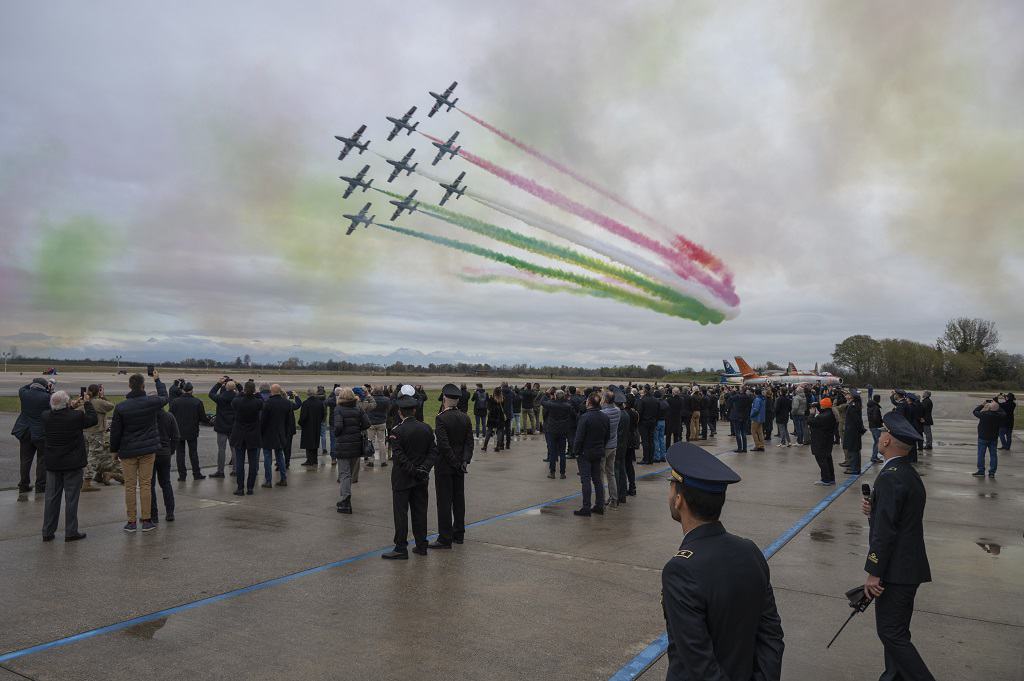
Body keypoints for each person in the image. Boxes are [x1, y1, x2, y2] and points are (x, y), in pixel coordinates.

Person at [661, 441, 784, 680]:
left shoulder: (680, 569)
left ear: (678, 500)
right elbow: (771, 636)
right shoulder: (749, 551)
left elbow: (699, 663)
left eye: (671, 487)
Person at [861, 412, 935, 681]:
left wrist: (873, 571)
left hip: (896, 570)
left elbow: (885, 532)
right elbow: (898, 519)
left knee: (890, 633)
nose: (880, 437)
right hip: (908, 566)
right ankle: (892, 676)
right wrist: (873, 510)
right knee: (898, 631)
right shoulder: (905, 472)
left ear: (888, 441)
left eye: (882, 434)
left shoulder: (890, 477)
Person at [109, 372, 168, 532]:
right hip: (148, 450)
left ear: (130, 386)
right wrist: (157, 380)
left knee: (129, 486)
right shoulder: (150, 402)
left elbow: (116, 431)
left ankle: (131, 521)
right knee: (145, 485)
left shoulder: (121, 407)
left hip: (128, 450)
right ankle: (147, 520)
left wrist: (114, 450)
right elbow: (164, 396)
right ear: (143, 386)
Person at [382, 390, 437, 560]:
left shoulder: (397, 431)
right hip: (421, 478)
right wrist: (423, 470)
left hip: (403, 478)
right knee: (420, 512)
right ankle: (421, 545)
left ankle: (401, 547)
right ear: (414, 410)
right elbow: (433, 452)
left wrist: (414, 471)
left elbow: (399, 457)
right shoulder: (426, 428)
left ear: (400, 412)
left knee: (401, 514)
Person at [41, 390, 97, 542]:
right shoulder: (76, 417)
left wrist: (69, 406)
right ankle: (71, 531)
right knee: (71, 499)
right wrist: (86, 403)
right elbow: (92, 419)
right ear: (66, 404)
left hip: (53, 463)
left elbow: (60, 415)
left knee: (51, 498)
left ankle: (47, 531)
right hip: (72, 463)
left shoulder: (46, 416)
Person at [431, 383, 474, 548]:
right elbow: (469, 443)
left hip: (445, 466)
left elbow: (443, 445)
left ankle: (445, 538)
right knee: (458, 500)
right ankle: (459, 534)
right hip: (459, 466)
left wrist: (455, 463)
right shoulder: (465, 417)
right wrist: (464, 461)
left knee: (444, 502)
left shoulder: (441, 418)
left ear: (444, 399)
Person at [12, 377, 53, 500]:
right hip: (40, 432)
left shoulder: (24, 393)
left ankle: (23, 485)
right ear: (44, 386)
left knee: (25, 460)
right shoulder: (47, 397)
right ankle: (40, 485)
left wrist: (34, 383)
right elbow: (53, 403)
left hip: (24, 430)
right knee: (42, 460)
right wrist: (49, 389)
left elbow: (23, 387)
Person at [572, 392, 610, 517]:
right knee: (597, 479)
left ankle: (586, 507)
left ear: (589, 403)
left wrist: (576, 451)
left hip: (586, 452)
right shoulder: (604, 417)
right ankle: (600, 505)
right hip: (598, 451)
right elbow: (607, 436)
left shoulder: (585, 417)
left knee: (586, 480)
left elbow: (579, 437)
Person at [333, 388, 369, 514]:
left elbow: (338, 427)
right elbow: (367, 424)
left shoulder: (338, 409)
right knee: (349, 474)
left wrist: (337, 434)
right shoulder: (358, 408)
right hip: (355, 445)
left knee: (344, 474)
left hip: (343, 445)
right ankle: (345, 498)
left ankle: (345, 500)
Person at [229, 381, 263, 496]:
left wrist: (241, 393)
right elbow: (262, 402)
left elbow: (234, 401)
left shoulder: (237, 401)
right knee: (253, 463)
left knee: (240, 463)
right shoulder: (257, 402)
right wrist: (256, 394)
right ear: (253, 390)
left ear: (244, 390)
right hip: (252, 434)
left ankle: (240, 488)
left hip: (239, 434)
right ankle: (250, 488)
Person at [169, 382, 208, 481]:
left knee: (180, 454)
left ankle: (182, 475)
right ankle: (196, 473)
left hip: (178, 431)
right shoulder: (197, 401)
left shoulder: (175, 401)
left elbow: (170, 416)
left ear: (183, 390)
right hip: (192, 431)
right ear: (191, 390)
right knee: (193, 453)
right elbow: (203, 418)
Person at [81, 384, 117, 490]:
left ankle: (96, 475)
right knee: (94, 457)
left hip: (84, 432)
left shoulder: (85, 402)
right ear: (98, 392)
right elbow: (111, 406)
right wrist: (103, 397)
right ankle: (87, 482)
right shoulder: (98, 402)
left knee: (87, 456)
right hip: (96, 433)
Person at [259, 384, 292, 488]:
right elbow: (288, 421)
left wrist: (261, 432)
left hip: (268, 434)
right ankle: (283, 478)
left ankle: (268, 481)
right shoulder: (287, 403)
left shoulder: (268, 403)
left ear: (271, 392)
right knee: (280, 457)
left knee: (268, 458)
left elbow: (263, 421)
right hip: (280, 433)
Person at [150, 404, 178, 523]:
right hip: (165, 452)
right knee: (166, 483)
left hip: (150, 453)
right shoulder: (169, 416)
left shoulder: (148, 417)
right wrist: (170, 451)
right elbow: (176, 436)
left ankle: (153, 514)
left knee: (149, 485)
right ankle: (170, 512)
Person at [208, 378, 238, 478]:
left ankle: (220, 471)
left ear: (225, 387)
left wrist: (218, 383)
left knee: (221, 450)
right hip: (233, 426)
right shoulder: (238, 397)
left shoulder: (220, 397)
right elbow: (243, 391)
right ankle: (235, 470)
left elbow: (211, 393)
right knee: (234, 449)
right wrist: (236, 384)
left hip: (221, 426)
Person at [541, 389, 573, 479]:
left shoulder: (552, 405)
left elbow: (542, 402)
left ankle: (552, 472)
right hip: (563, 430)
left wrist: (546, 393)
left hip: (552, 430)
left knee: (552, 452)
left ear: (555, 396)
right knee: (562, 453)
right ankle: (562, 473)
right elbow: (569, 405)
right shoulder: (567, 406)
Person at [807, 397, 837, 486]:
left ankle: (825, 479)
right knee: (827, 458)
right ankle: (831, 478)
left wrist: (811, 414)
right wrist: (817, 406)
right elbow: (823, 410)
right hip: (828, 440)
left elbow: (810, 422)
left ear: (823, 406)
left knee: (821, 459)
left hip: (820, 441)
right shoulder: (830, 413)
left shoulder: (822, 417)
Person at [600, 390, 621, 507]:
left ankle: (601, 499)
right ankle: (614, 498)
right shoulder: (617, 411)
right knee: (611, 473)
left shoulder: (604, 413)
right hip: (613, 444)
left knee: (600, 474)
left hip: (605, 446)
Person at [972, 400, 1002, 478]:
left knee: (981, 455)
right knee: (993, 455)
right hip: (993, 438)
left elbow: (975, 411)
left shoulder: (984, 414)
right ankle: (992, 472)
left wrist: (983, 405)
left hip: (983, 437)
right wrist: (997, 406)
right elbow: (1004, 413)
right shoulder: (999, 416)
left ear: (989, 408)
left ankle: (981, 471)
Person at [298, 388, 327, 467]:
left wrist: (300, 423)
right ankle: (314, 460)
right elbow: (323, 414)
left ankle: (310, 460)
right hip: (317, 425)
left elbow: (303, 416)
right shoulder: (320, 403)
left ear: (308, 394)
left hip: (308, 426)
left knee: (308, 444)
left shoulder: (306, 403)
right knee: (315, 443)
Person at [366, 386, 391, 468]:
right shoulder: (386, 399)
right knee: (381, 442)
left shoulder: (370, 399)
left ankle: (370, 460)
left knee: (370, 442)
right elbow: (388, 409)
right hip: (381, 422)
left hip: (371, 422)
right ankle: (383, 461)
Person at [841, 390, 865, 474]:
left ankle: (854, 469)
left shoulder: (853, 406)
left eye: (848, 395)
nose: (846, 396)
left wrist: (860, 430)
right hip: (853, 430)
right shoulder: (854, 404)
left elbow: (857, 420)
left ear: (851, 397)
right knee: (854, 450)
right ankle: (854, 467)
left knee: (853, 450)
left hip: (852, 431)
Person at [637, 388, 659, 464]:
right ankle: (651, 459)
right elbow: (658, 411)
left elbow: (639, 412)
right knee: (651, 440)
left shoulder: (643, 400)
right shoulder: (656, 400)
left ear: (645, 391)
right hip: (653, 422)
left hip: (644, 423)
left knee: (645, 441)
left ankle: (646, 458)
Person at [482, 387, 506, 452]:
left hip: (492, 417)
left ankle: (485, 445)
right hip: (500, 417)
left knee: (489, 431)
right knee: (499, 432)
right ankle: (498, 446)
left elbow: (488, 408)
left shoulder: (491, 399)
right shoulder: (503, 399)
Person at [729, 388, 752, 453]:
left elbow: (730, 398)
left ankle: (739, 448)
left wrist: (733, 391)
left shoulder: (737, 396)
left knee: (737, 432)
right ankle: (744, 448)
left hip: (737, 416)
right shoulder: (748, 397)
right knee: (743, 432)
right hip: (745, 416)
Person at [867, 394, 884, 463]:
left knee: (876, 442)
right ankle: (874, 457)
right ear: (878, 399)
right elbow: (876, 418)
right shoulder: (876, 407)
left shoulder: (870, 406)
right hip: (876, 427)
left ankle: (874, 456)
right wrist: (881, 422)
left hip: (871, 426)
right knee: (877, 442)